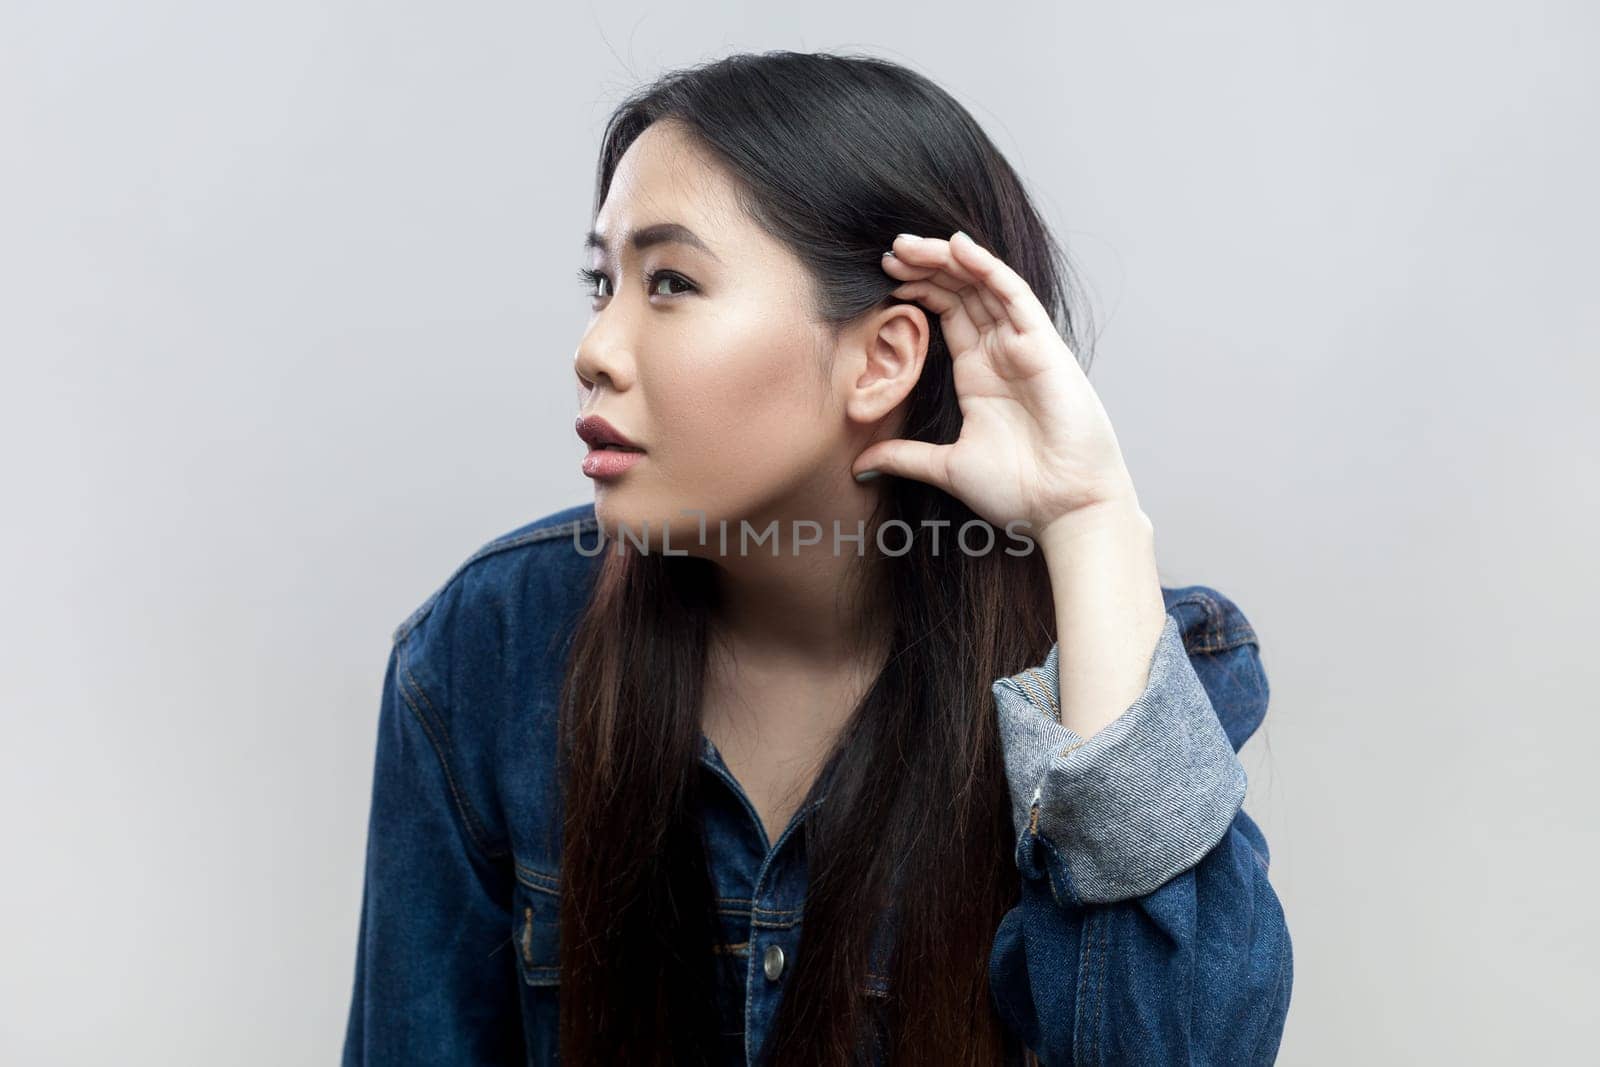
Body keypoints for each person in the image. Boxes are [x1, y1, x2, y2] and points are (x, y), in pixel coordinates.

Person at [341, 49, 1292, 1066]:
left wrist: (1089, 517)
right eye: (601, 282)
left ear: (880, 358)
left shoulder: (1123, 669)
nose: (595, 347)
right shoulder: (489, 651)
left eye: (669, 282)